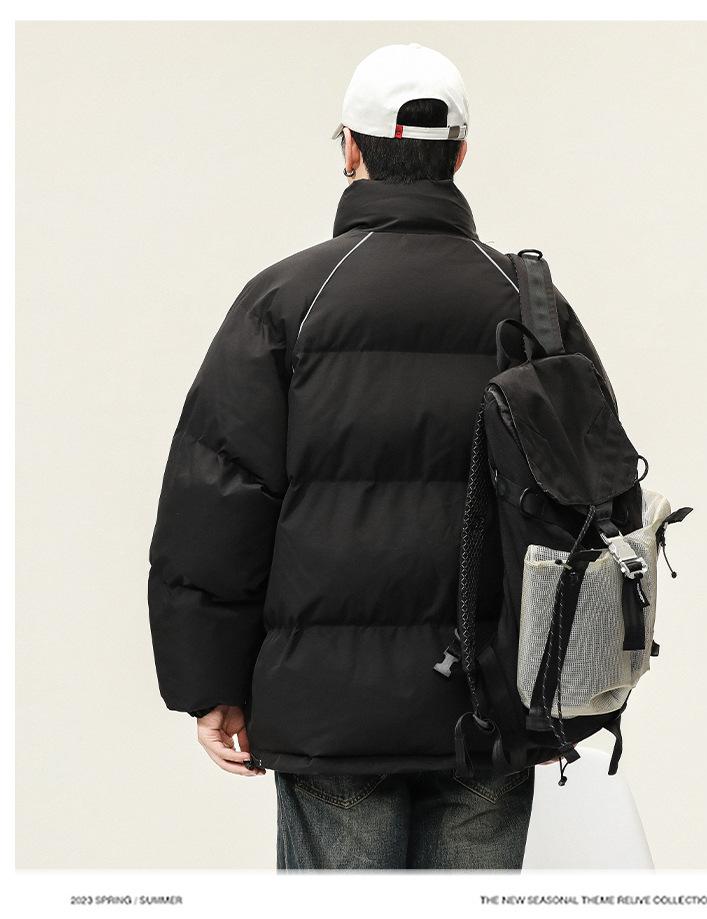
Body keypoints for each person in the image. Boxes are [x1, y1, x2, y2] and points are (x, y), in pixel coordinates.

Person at [148, 42, 607, 870]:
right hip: (490, 706)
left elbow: (216, 500)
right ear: (459, 157)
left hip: (332, 715)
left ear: (351, 152)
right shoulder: (531, 305)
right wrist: (567, 685)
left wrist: (209, 681)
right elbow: (593, 499)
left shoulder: (287, 300)